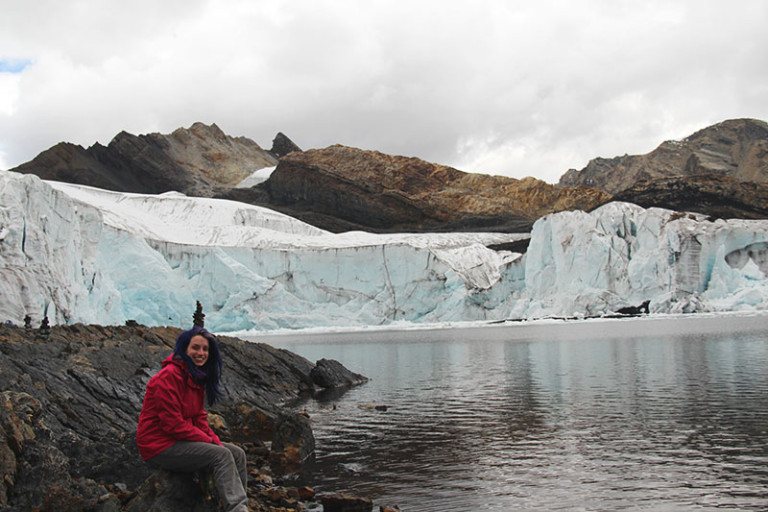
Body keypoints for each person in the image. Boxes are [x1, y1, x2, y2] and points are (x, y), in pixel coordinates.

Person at [137, 326, 249, 512]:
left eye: (205, 349)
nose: (201, 353)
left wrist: (213, 440)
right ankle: (237, 509)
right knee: (220, 455)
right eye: (195, 348)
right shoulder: (168, 377)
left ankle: (234, 504)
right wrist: (210, 442)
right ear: (184, 349)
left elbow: (198, 418)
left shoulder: (194, 377)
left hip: (178, 440)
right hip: (158, 446)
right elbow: (172, 425)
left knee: (237, 454)